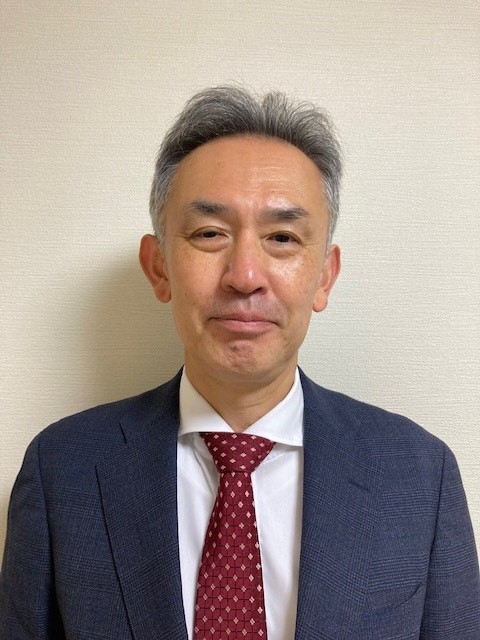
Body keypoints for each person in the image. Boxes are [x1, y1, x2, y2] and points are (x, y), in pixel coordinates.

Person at [1, 86, 479, 640]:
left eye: (283, 237)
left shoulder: (419, 477)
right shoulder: (63, 471)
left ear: (324, 276)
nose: (245, 276)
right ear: (158, 267)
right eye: (210, 233)